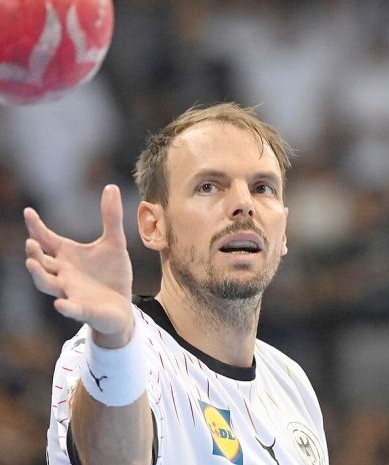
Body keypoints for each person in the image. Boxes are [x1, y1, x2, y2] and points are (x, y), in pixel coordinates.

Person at [24, 102, 328, 465]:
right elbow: (112, 457)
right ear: (154, 226)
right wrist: (112, 343)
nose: (244, 204)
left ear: (284, 231)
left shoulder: (292, 384)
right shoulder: (112, 357)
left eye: (263, 188)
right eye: (209, 186)